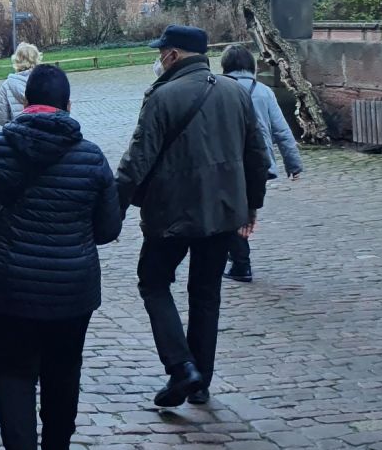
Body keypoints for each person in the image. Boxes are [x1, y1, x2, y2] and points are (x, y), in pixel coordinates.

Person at [0, 65, 122, 450]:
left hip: (5, 284)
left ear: (25, 104)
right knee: (63, 371)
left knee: (12, 374)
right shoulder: (91, 158)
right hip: (71, 287)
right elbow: (108, 228)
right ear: (69, 106)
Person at [115, 25, 268, 409]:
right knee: (205, 294)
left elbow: (137, 160)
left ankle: (182, 367)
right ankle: (200, 381)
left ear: (175, 55)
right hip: (221, 213)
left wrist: (113, 205)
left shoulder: (163, 97)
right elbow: (257, 155)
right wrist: (250, 206)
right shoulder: (235, 92)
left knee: (153, 282)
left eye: (162, 51)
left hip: (171, 212)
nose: (159, 57)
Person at [220, 45, 303, 283]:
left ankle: (240, 262)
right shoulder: (264, 91)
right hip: (259, 162)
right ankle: (237, 258)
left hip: (229, 160)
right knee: (244, 208)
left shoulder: (219, 88)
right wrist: (293, 164)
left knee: (231, 209)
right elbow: (282, 131)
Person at [0, 42, 41, 125]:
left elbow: (2, 119)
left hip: (18, 131)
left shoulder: (7, 85)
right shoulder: (45, 81)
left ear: (16, 60)